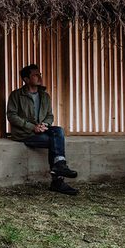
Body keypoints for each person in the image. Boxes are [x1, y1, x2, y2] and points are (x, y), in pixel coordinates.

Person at [6, 64, 79, 195]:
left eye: (40, 74)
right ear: (26, 79)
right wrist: (32, 127)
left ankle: (59, 166)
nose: (39, 77)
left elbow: (50, 115)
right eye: (35, 75)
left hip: (42, 130)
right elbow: (11, 115)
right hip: (25, 133)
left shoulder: (45, 96)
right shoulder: (16, 95)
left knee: (58, 130)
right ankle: (58, 180)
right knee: (54, 141)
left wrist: (44, 125)